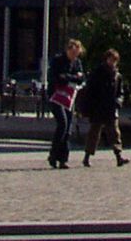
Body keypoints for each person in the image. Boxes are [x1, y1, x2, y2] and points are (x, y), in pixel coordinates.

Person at [80, 49, 128, 167]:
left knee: (115, 133)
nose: (112, 62)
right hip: (98, 107)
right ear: (106, 59)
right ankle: (87, 156)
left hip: (111, 108)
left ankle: (119, 156)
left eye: (114, 60)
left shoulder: (117, 76)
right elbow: (90, 90)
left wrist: (118, 102)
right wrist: (89, 107)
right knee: (94, 133)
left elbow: (120, 92)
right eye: (110, 59)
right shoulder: (98, 73)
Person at [46, 37, 85, 169]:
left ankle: (63, 159)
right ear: (68, 50)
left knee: (68, 128)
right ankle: (53, 155)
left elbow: (81, 78)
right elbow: (56, 77)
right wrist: (71, 77)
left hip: (69, 97)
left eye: (77, 54)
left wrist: (69, 77)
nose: (75, 56)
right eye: (73, 53)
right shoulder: (58, 61)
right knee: (62, 123)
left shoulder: (77, 63)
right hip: (56, 96)